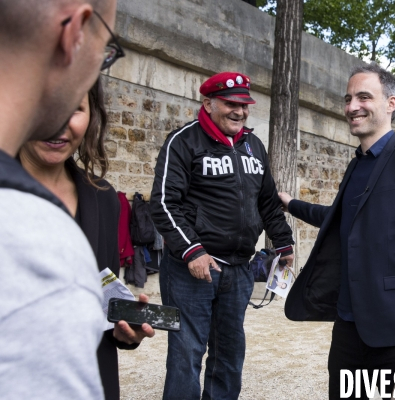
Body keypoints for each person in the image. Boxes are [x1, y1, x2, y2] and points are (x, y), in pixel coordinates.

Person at [280, 63, 395, 399]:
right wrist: (291, 204)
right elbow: (340, 219)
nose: (352, 106)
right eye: (348, 98)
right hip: (348, 328)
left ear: (391, 103)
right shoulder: (357, 163)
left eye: (364, 97)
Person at [0, 1, 123, 398]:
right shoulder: (39, 233)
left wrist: (122, 328)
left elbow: (103, 292)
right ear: (75, 32)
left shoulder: (104, 200)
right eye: (106, 52)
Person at [150, 71, 295, 399]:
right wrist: (193, 251)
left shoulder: (254, 146)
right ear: (208, 103)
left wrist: (283, 243)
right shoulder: (183, 142)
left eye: (244, 105)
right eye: (231, 104)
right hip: (192, 271)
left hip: (239, 271)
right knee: (186, 355)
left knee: (229, 356)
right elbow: (162, 203)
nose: (240, 111)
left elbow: (268, 203)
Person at [19, 79, 155, 400]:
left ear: (91, 115)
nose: (59, 123)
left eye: (75, 108)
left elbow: (102, 295)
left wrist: (125, 334)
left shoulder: (103, 198)